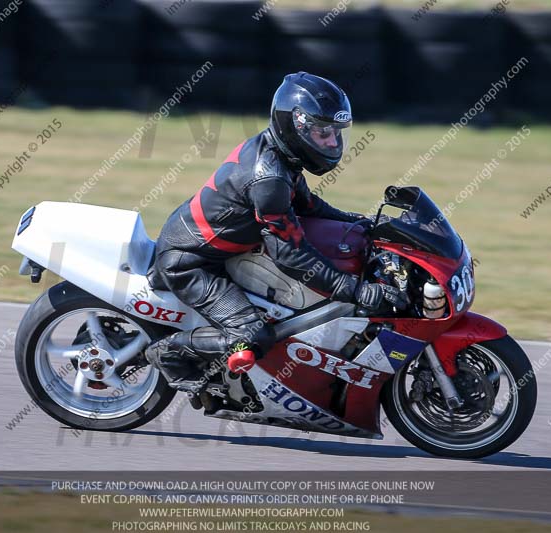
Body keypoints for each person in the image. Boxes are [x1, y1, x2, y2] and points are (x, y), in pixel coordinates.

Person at [144, 72, 408, 398]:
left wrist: (360, 222)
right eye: (322, 132)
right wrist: (354, 290)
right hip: (190, 262)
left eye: (336, 133)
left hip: (225, 247)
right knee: (254, 333)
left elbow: (308, 205)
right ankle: (168, 352)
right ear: (294, 125)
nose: (332, 142)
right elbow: (290, 254)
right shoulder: (268, 178)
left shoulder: (280, 155)